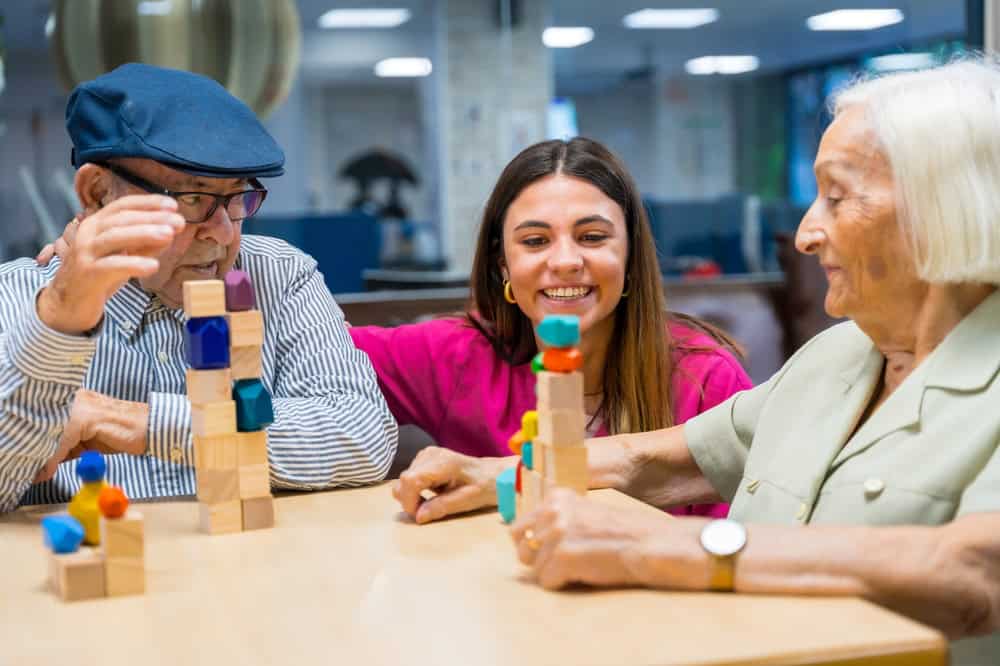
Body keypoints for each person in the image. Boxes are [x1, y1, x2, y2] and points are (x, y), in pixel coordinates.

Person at [507, 60, 1000, 663]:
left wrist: (667, 547)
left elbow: (976, 572)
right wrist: (492, 476)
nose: (805, 235)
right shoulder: (841, 353)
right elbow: (657, 460)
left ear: (942, 209)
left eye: (837, 197)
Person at [1, 63, 397, 513]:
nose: (224, 233)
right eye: (192, 199)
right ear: (98, 193)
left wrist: (142, 423)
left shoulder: (278, 276)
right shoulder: (18, 298)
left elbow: (363, 436)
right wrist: (62, 320)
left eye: (237, 198)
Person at [356, 137, 750, 524]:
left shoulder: (706, 380)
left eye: (592, 237)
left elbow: (750, 537)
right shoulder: (455, 354)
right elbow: (318, 351)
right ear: (502, 266)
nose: (565, 261)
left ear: (630, 258)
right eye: (535, 241)